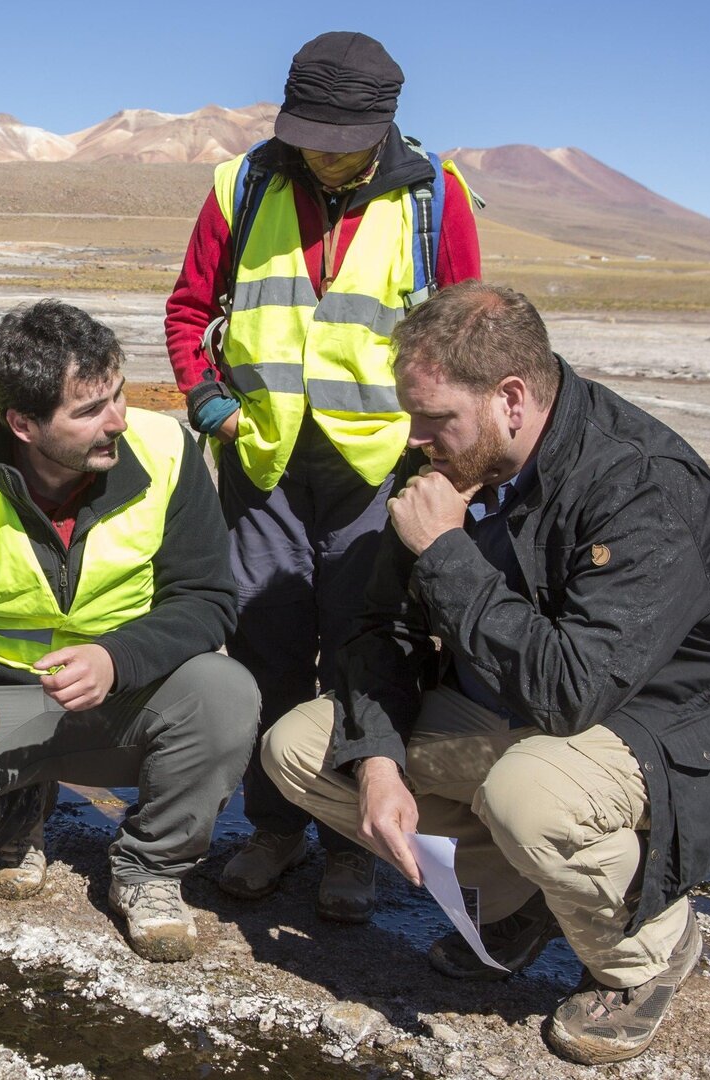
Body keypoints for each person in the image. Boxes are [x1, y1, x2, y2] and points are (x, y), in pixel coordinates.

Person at [260, 282, 710, 1064]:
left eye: (434, 418)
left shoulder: (642, 485)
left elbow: (572, 691)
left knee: (528, 796)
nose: (414, 437)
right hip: (516, 708)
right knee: (303, 748)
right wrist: (378, 764)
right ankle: (529, 898)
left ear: (510, 398)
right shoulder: (450, 458)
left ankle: (646, 950)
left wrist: (445, 552)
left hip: (664, 729)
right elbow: (381, 632)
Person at [164, 30, 481, 917]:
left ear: (382, 127)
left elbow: (467, 333)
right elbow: (189, 311)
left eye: (341, 142)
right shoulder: (242, 184)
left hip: (378, 470)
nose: (323, 154)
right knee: (264, 645)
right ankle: (273, 827)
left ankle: (351, 841)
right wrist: (212, 406)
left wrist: (441, 457)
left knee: (362, 648)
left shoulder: (434, 196)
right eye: (309, 136)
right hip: (261, 463)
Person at [0, 300, 259, 962]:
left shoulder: (167, 451)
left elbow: (207, 599)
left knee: (225, 691)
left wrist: (116, 658)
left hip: (122, 701)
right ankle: (21, 805)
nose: (118, 419)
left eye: (118, 394)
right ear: (23, 423)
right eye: (90, 409)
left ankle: (150, 868)